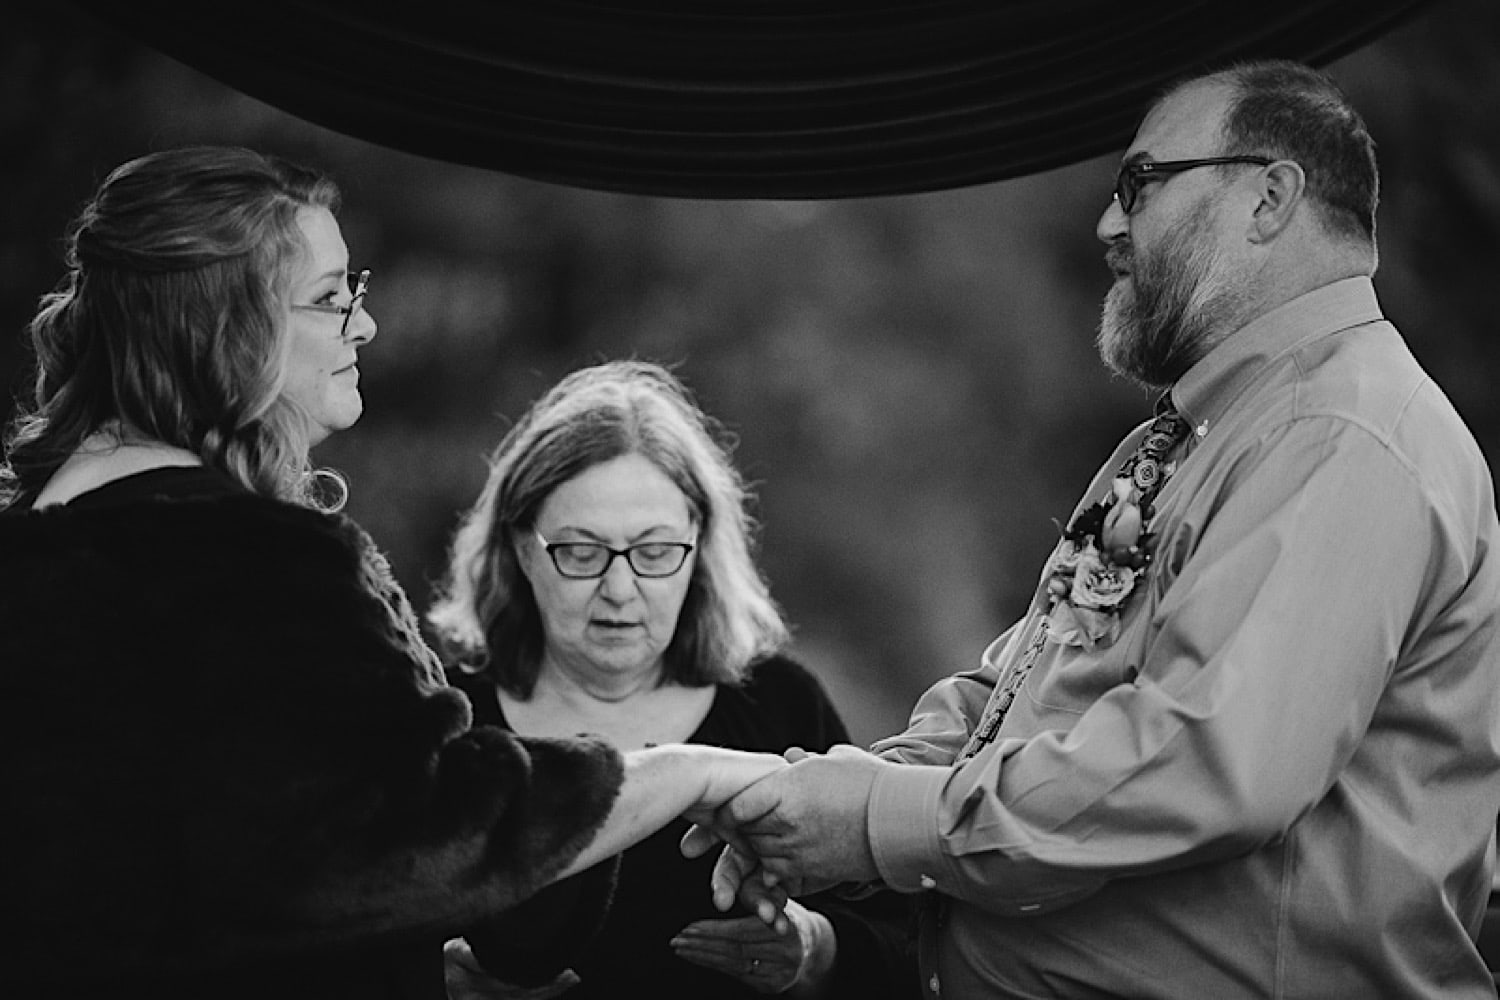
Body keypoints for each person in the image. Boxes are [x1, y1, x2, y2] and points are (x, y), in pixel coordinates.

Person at [687, 59, 1500, 999]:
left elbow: (1200, 768)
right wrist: (824, 800)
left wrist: (875, 820)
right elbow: (1028, 692)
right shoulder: (1200, 433)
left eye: (1140, 183)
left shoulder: (1343, 433)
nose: (1109, 225)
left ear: (1270, 197)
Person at [0, 146, 788, 1000]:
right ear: (226, 324)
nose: (364, 326)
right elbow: (420, 831)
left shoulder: (40, 545)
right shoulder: (247, 564)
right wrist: (686, 771)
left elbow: (231, 877)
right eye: (330, 298)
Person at [426, 359, 919, 998]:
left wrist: (816, 950)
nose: (620, 589)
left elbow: (908, 945)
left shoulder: (780, 708)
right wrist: (425, 976)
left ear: (699, 544)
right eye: (581, 551)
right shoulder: (446, 724)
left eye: (654, 552)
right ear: (522, 549)